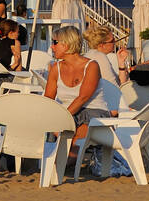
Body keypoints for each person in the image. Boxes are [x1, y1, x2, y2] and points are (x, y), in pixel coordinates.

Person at [43, 26, 111, 157]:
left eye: (55, 42)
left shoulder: (91, 66)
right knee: (64, 140)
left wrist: (63, 117)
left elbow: (83, 97)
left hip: (93, 111)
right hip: (69, 112)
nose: (52, 47)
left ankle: (62, 164)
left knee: (74, 146)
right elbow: (48, 98)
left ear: (66, 44)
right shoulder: (56, 68)